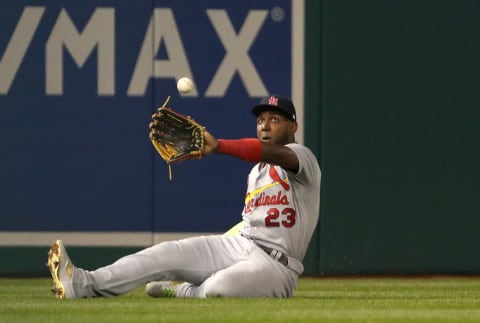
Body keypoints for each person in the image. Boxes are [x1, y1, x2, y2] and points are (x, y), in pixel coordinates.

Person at [46, 95, 321, 299]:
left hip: (277, 267)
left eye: (275, 119)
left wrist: (219, 145)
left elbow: (270, 153)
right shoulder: (256, 174)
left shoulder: (302, 159)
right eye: (261, 120)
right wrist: (221, 246)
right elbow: (248, 224)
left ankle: (183, 291)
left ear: (293, 127)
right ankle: (83, 283)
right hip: (241, 245)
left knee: (218, 289)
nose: (265, 126)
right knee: (163, 254)